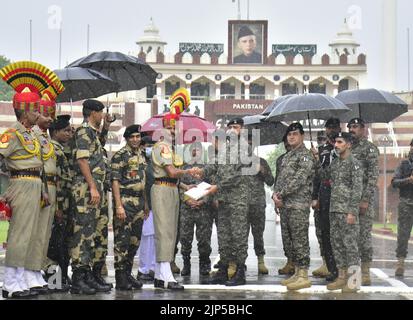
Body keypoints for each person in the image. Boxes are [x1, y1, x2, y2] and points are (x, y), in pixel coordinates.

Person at [151, 88, 197, 290]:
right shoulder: (162, 146)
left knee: (170, 232)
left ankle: (162, 275)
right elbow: (170, 172)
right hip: (162, 189)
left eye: (175, 129)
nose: (173, 132)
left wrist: (187, 185)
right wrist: (190, 171)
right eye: (170, 129)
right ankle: (166, 274)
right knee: (165, 232)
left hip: (171, 189)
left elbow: (174, 178)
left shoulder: (171, 148)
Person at [199, 118, 251, 286]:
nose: (231, 130)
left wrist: (217, 187)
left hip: (238, 200)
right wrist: (200, 171)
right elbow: (214, 165)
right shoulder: (225, 148)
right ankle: (223, 270)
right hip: (224, 200)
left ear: (242, 130)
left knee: (238, 236)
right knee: (224, 237)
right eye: (229, 127)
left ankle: (240, 272)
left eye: (235, 127)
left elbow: (236, 176)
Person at [69, 99, 112, 294]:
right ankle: (79, 279)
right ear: (92, 113)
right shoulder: (83, 132)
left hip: (97, 189)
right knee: (83, 234)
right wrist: (93, 187)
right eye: (101, 112)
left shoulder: (93, 133)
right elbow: (83, 160)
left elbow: (98, 147)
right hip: (86, 190)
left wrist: (107, 126)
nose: (102, 115)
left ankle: (91, 275)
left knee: (97, 233)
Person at [273, 122, 316, 291]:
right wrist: (276, 195)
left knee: (300, 240)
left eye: (295, 134)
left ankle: (304, 275)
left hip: (298, 204)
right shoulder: (289, 156)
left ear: (302, 136)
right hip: (285, 205)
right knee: (291, 240)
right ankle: (297, 273)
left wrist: (280, 193)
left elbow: (299, 179)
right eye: (289, 134)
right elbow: (281, 178)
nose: (291, 137)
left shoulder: (305, 155)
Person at [111, 124, 148, 290]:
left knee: (134, 241)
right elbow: (115, 181)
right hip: (125, 203)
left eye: (138, 137)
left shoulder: (141, 154)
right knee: (122, 241)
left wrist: (146, 204)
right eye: (132, 137)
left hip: (139, 204)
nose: (135, 140)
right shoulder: (120, 155)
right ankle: (120, 278)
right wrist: (118, 205)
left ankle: (127, 273)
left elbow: (144, 181)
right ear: (126, 138)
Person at [325, 132, 363, 293]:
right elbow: (325, 177)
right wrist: (318, 158)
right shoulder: (335, 163)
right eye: (335, 142)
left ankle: (353, 281)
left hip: (347, 211)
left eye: (340, 142)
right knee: (337, 245)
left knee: (350, 246)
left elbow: (357, 189)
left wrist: (352, 212)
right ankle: (341, 278)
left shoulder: (355, 163)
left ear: (348, 144)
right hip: (334, 210)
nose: (336, 145)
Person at [347, 118, 379, 286]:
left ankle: (365, 272)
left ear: (363, 129)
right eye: (350, 126)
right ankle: (353, 274)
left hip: (363, 201)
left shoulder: (370, 149)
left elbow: (373, 177)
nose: (352, 129)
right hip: (348, 201)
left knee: (364, 238)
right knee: (350, 239)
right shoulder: (347, 148)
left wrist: (365, 200)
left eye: (355, 126)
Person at [46, 115, 73, 292]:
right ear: (56, 132)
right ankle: (54, 281)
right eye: (66, 131)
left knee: (63, 243)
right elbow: (56, 182)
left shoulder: (61, 149)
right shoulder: (53, 151)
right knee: (55, 244)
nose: (70, 134)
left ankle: (62, 278)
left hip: (65, 203)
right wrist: (58, 208)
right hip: (59, 205)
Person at [311, 118, 341, 281]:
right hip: (324, 194)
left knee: (339, 235)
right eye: (329, 127)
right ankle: (331, 269)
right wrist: (314, 197)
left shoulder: (343, 147)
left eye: (334, 127)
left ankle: (342, 269)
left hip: (339, 195)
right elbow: (317, 176)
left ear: (339, 128)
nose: (331, 129)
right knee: (326, 233)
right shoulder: (321, 150)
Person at [179, 142, 214, 277]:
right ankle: (186, 264)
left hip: (203, 209)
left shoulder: (207, 168)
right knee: (185, 238)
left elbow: (213, 188)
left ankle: (204, 264)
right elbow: (177, 186)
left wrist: (202, 201)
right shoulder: (182, 168)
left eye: (197, 150)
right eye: (192, 150)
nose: (195, 152)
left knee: (204, 239)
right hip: (187, 208)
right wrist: (187, 200)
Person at [246, 134, 274, 275]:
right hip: (242, 204)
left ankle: (261, 261)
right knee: (240, 236)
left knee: (258, 234)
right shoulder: (237, 163)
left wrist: (262, 170)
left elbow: (270, 181)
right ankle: (240, 262)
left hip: (257, 204)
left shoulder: (261, 161)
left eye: (252, 144)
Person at [391, 139, 413, 277]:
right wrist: (408, 180)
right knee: (403, 235)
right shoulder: (404, 164)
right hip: (406, 202)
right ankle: (400, 263)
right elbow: (394, 182)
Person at [137, 135, 156, 281]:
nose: (150, 147)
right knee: (146, 237)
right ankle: (143, 269)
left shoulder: (154, 162)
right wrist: (146, 204)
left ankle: (152, 268)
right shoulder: (140, 162)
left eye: (152, 145)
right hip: (145, 204)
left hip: (157, 203)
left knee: (154, 237)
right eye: (147, 145)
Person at [276, 135, 295, 276]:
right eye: (285, 143)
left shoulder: (301, 157)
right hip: (282, 202)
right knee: (286, 235)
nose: (287, 145)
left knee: (297, 236)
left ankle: (299, 267)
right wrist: (275, 196)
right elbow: (278, 180)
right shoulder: (280, 160)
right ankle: (289, 261)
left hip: (295, 202)